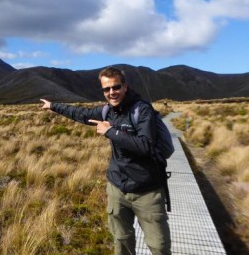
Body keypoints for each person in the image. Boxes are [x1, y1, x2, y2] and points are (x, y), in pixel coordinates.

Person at [40, 66, 171, 255]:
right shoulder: (106, 111)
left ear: (125, 86)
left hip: (147, 191)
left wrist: (111, 132)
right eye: (106, 89)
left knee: (159, 246)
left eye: (116, 87)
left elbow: (146, 146)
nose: (112, 92)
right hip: (117, 188)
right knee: (121, 240)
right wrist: (53, 106)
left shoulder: (142, 110)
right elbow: (80, 114)